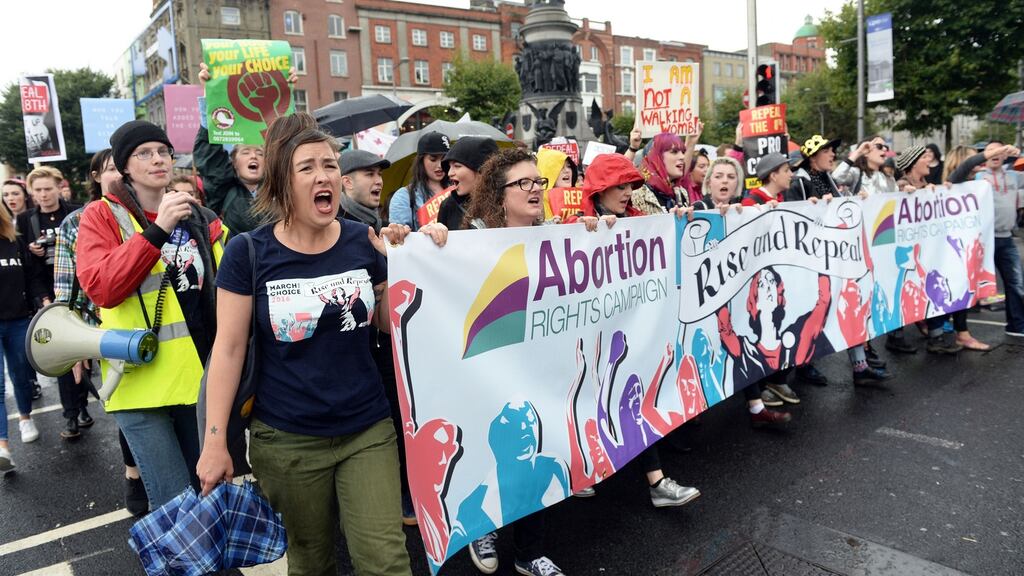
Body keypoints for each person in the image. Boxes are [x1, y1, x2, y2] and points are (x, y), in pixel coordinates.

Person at [197, 113, 446, 576]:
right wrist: (215, 443)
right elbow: (228, 350)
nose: (323, 175)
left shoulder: (361, 239)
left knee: (387, 561)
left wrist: (415, 260)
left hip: (367, 429)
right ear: (281, 182)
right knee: (312, 563)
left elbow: (393, 323)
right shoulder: (248, 252)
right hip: (287, 440)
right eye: (307, 167)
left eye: (330, 165)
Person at [77, 120, 228, 510]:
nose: (157, 159)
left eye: (163, 152)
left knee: (208, 495)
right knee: (175, 504)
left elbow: (225, 289)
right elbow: (103, 287)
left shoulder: (199, 215)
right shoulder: (102, 215)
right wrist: (158, 229)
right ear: (124, 166)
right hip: (141, 382)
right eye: (144, 153)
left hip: (199, 379)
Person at [458, 147, 569, 576]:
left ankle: (529, 552)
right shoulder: (472, 242)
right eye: (523, 183)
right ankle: (482, 529)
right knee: (495, 452)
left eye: (538, 182)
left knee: (537, 449)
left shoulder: (560, 235)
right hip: (490, 368)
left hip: (539, 369)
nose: (535, 189)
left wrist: (601, 230)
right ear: (499, 196)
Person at [54, 148, 149, 513]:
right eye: (107, 169)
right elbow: (66, 286)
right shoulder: (76, 223)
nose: (115, 175)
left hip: (149, 326)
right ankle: (132, 473)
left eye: (119, 169)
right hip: (102, 330)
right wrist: (73, 341)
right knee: (126, 403)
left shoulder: (146, 214)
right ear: (95, 177)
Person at [18, 166, 85, 437]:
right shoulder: (25, 220)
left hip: (79, 291)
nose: (43, 195)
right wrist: (43, 298)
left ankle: (83, 405)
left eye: (48, 189)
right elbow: (26, 266)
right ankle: (70, 414)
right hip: (47, 294)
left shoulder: (77, 212)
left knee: (84, 354)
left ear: (59, 187)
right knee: (62, 356)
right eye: (38, 191)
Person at [194, 62, 295, 233]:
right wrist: (209, 94)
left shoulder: (281, 189)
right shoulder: (223, 191)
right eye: (246, 152)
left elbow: (290, 146)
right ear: (233, 161)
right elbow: (209, 156)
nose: (253, 156)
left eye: (260, 152)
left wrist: (286, 91)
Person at [0, 196, 49, 471]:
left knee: (21, 377)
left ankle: (25, 417)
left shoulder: (14, 241)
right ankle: (3, 446)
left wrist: (42, 299)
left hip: (18, 320)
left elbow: (30, 278)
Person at [975, 141, 1024, 338]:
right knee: (969, 285)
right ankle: (954, 329)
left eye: (1000, 150)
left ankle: (1017, 325)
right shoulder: (978, 176)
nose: (996, 154)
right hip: (982, 241)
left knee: (1015, 283)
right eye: (991, 151)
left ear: (1005, 155)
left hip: (1006, 239)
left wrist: (1019, 155)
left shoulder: (1014, 176)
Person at [388, 131, 451, 230]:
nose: (440, 165)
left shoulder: (459, 189)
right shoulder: (404, 196)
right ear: (421, 161)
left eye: (444, 159)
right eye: (433, 159)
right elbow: (400, 239)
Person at [436, 137, 499, 231]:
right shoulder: (448, 206)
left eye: (457, 166)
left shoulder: (507, 201)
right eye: (449, 167)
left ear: (483, 170)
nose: (449, 173)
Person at [632, 130, 699, 215]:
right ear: (657, 157)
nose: (682, 157)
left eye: (683, 152)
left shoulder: (682, 192)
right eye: (674, 152)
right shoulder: (638, 193)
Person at [339, 149, 390, 231]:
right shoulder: (334, 227)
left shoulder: (386, 229)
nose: (379, 181)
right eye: (370, 174)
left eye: (380, 174)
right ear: (348, 182)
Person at [537, 146, 578, 220]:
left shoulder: (581, 198)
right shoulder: (537, 205)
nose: (567, 171)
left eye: (569, 166)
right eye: (561, 167)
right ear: (548, 172)